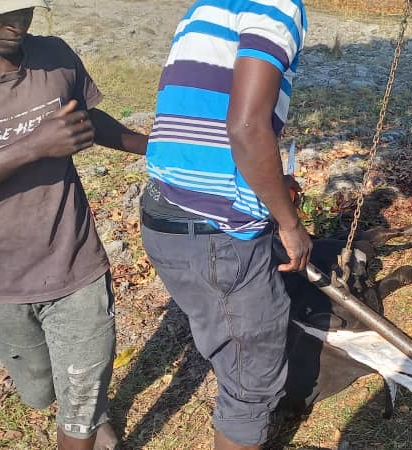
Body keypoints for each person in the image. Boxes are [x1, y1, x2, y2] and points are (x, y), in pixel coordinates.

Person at [0, 1, 148, 449]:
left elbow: (85, 118)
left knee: (81, 403)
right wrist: (32, 146)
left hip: (74, 263)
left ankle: (86, 418)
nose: (19, 22)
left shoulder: (53, 56)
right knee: (40, 390)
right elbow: (43, 141)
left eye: (26, 9)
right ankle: (81, 408)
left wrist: (157, 148)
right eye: (2, 12)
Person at [140, 1, 309, 448]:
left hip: (164, 210)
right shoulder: (277, 6)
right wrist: (288, 223)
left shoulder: (206, 6)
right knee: (250, 383)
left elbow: (191, 116)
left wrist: (267, 179)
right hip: (218, 232)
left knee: (225, 337)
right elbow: (247, 126)